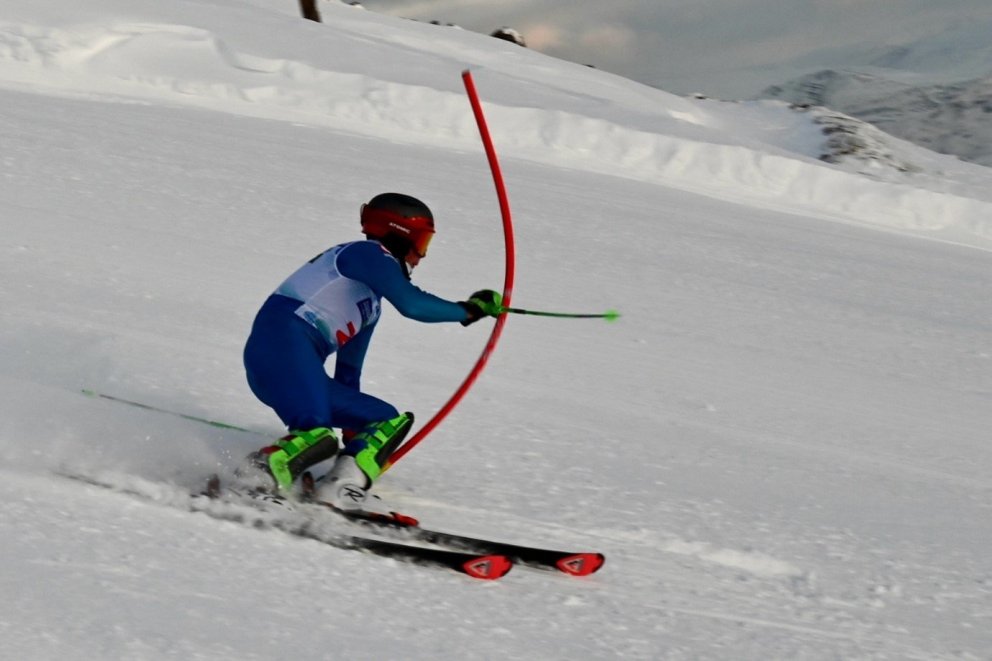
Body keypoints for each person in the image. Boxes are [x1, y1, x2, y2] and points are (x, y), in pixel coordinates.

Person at [238, 192, 502, 507]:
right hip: (278, 352)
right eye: (421, 243)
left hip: (297, 371)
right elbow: (413, 304)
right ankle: (257, 477)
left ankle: (339, 488)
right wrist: (468, 311)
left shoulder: (369, 306)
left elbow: (348, 372)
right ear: (399, 234)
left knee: (384, 421)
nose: (420, 257)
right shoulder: (366, 253)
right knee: (318, 436)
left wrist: (356, 436)